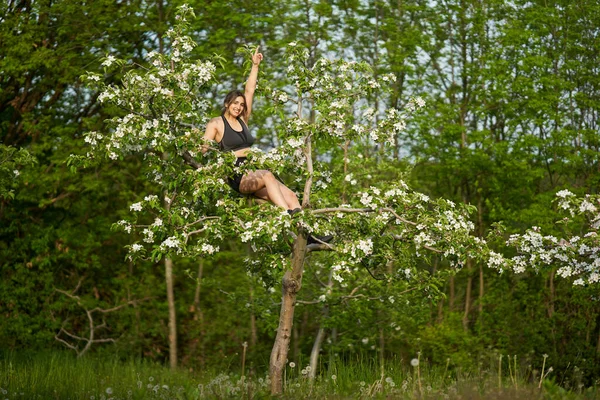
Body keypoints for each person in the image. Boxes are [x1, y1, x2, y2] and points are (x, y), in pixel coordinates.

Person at [202, 48, 331, 244]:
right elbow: (204, 148)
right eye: (235, 103)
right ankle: (286, 216)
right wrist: (196, 145)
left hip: (253, 171)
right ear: (227, 103)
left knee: (290, 194)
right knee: (269, 175)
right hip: (237, 173)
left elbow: (249, 90)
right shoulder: (216, 123)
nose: (238, 107)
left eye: (241, 105)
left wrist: (255, 66)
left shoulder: (243, 120)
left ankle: (307, 235)